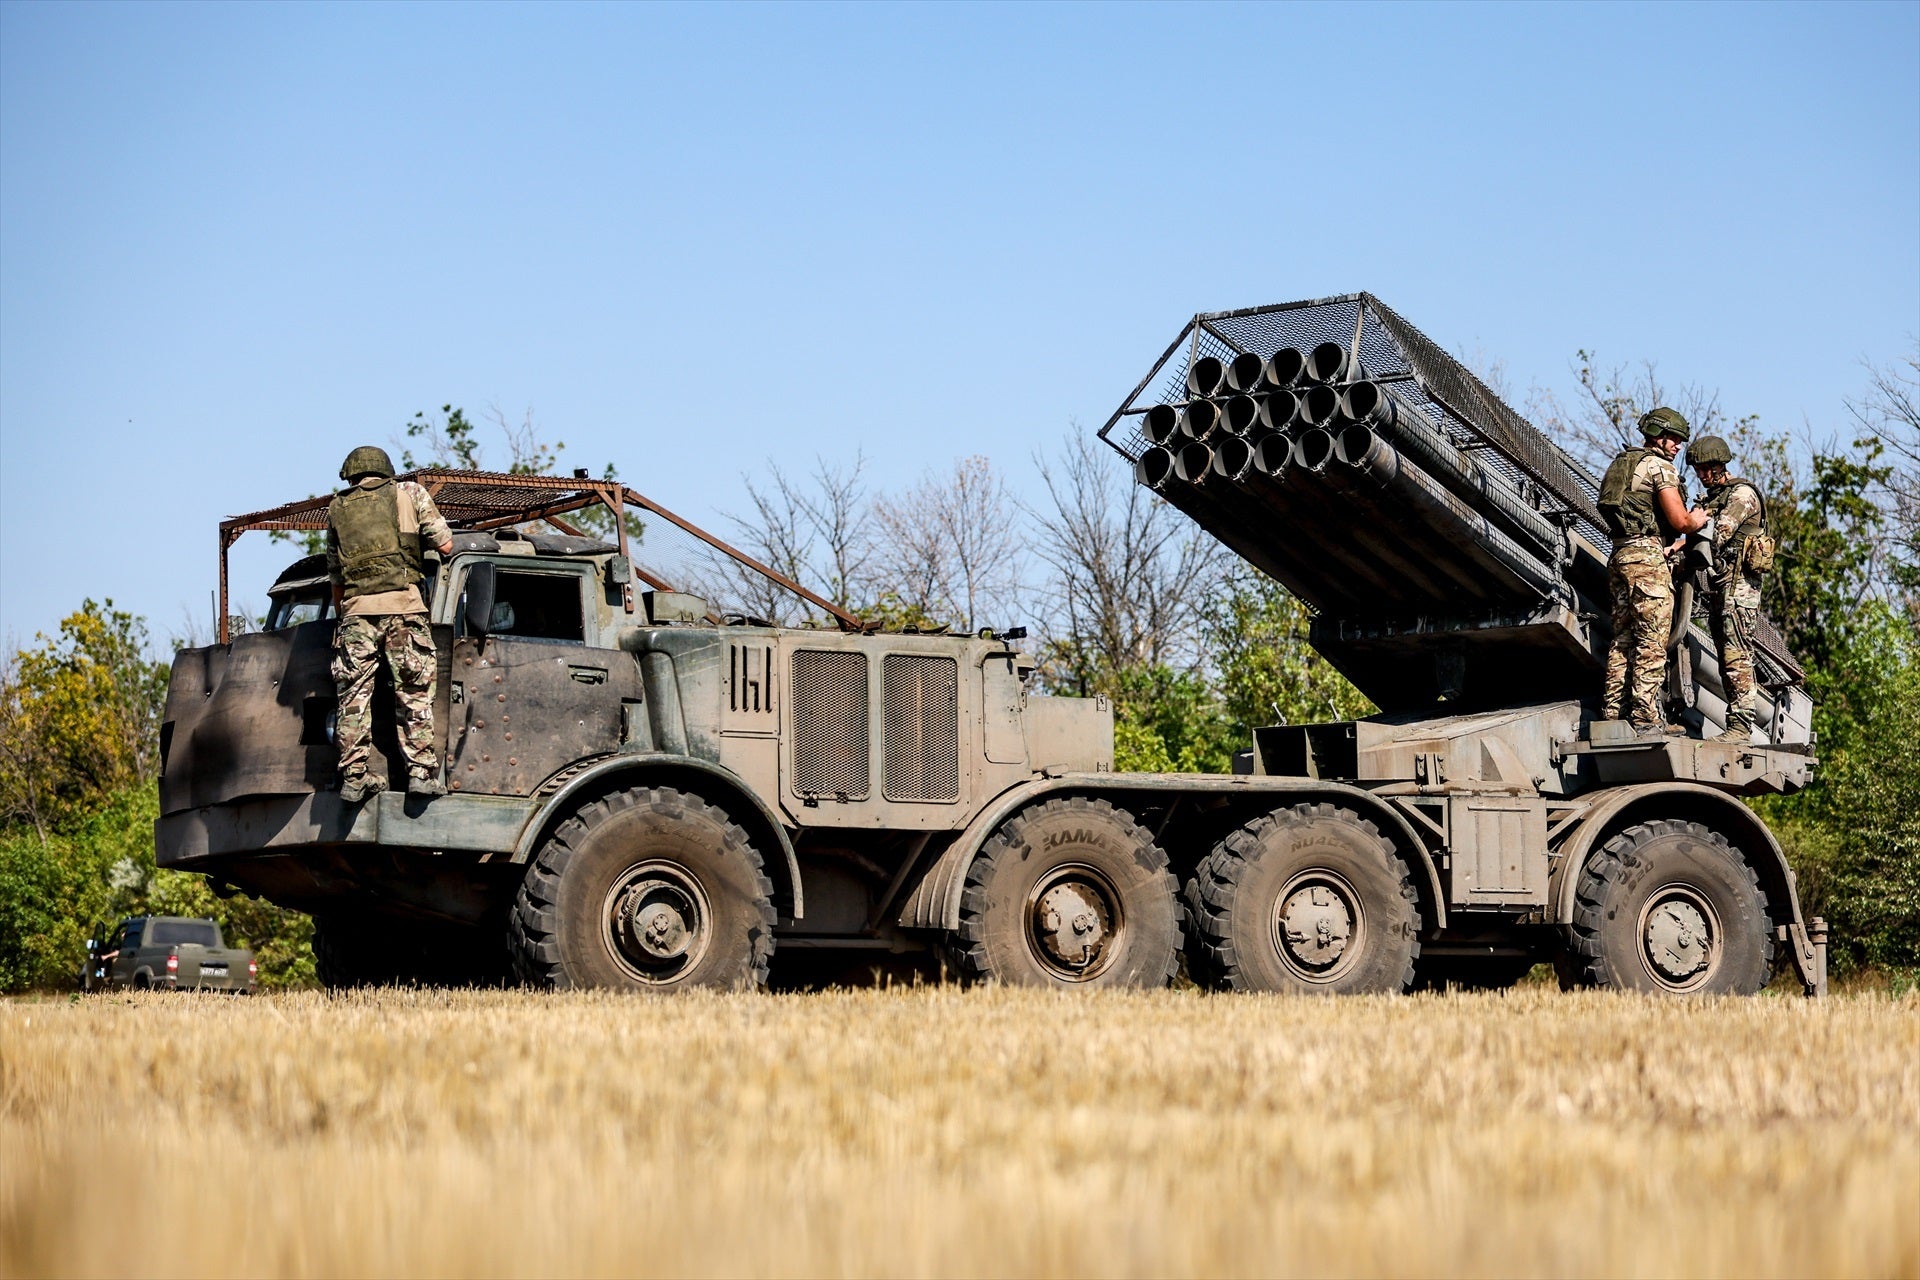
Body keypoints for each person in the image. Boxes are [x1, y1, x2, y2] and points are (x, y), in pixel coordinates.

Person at [326, 445, 455, 802]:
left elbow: (336, 577)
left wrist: (347, 616)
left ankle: (354, 778)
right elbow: (446, 545)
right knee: (413, 692)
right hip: (404, 608)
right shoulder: (409, 493)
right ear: (387, 471)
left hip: (355, 615)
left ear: (351, 475)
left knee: (352, 698)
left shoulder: (337, 507)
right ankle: (420, 773)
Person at [1597, 407, 1709, 734]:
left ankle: (1613, 715)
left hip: (1620, 554)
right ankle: (1646, 721)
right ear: (1658, 435)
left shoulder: (1623, 462)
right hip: (1646, 559)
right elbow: (1680, 521)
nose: (1678, 446)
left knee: (1623, 639)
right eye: (1674, 438)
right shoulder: (1659, 467)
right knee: (1651, 641)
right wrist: (1698, 518)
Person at [1687, 435, 1771, 742]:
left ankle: (1740, 728)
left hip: (1739, 590)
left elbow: (1718, 536)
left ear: (1721, 464)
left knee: (1737, 658)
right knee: (1726, 658)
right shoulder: (1714, 497)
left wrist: (1683, 541)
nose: (1703, 474)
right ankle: (1737, 725)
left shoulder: (1741, 495)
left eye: (1708, 467)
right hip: (1722, 588)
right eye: (1699, 469)